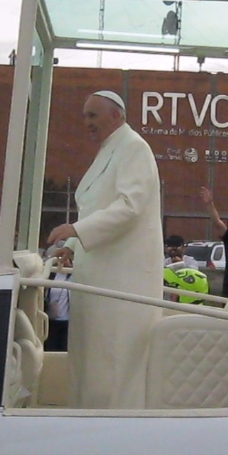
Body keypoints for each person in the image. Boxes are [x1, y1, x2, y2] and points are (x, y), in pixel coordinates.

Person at [46, 90, 162, 409]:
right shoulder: (111, 149)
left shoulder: (134, 148)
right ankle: (86, 416)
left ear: (116, 115)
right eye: (85, 116)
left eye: (93, 116)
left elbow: (129, 206)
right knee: (92, 357)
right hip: (99, 277)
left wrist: (77, 231)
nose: (87, 123)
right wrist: (71, 244)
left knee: (114, 362)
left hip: (122, 282)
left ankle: (109, 430)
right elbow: (97, 206)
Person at [43, 242, 72, 352]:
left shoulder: (73, 275)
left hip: (68, 320)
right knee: (51, 347)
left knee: (65, 349)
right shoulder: (51, 274)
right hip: (52, 319)